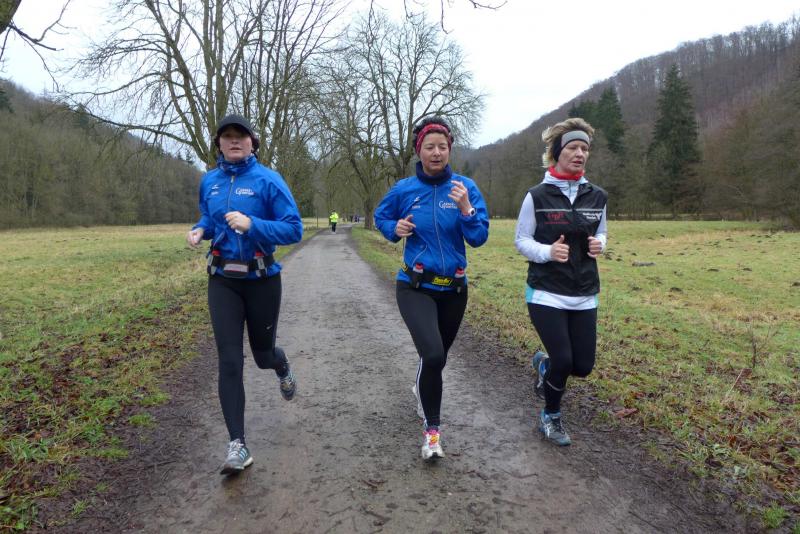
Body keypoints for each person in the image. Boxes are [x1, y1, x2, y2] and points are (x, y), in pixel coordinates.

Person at [187, 114, 303, 474]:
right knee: (229, 360)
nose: (234, 141)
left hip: (261, 279)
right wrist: (199, 230)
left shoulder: (269, 180)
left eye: (241, 136)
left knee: (262, 355)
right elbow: (209, 218)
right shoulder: (210, 181)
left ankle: (281, 366)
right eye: (227, 136)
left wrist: (253, 225)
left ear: (253, 142)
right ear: (219, 144)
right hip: (222, 279)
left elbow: (293, 229)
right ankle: (237, 444)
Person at [374, 116, 489, 460]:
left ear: (449, 149)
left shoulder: (465, 187)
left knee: (436, 359)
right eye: (429, 147)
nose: (436, 153)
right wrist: (394, 228)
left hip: (454, 290)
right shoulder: (404, 189)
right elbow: (382, 217)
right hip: (415, 286)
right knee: (434, 354)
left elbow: (479, 237)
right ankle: (432, 434)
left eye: (442, 146)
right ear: (418, 151)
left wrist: (466, 209)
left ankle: (420, 387)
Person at [514, 117, 607, 446]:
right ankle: (550, 416)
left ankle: (544, 366)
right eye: (573, 148)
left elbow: (602, 233)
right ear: (556, 153)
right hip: (546, 291)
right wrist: (548, 252)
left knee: (582, 366)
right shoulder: (536, 196)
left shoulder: (597, 196)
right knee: (564, 360)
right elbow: (522, 240)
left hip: (584, 291)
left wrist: (600, 244)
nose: (580, 154)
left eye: (585, 149)